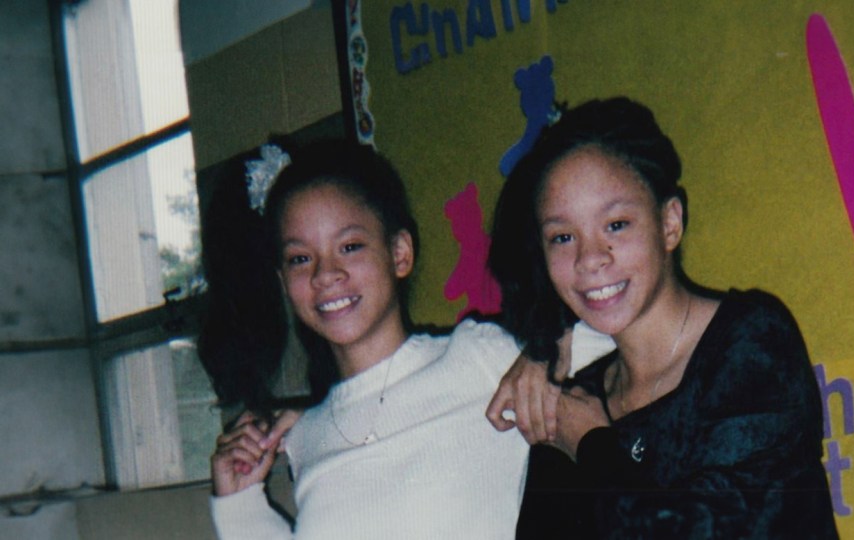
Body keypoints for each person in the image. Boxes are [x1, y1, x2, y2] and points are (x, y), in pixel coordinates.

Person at [207, 140, 613, 539]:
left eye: (350, 246)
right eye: (300, 258)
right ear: (283, 281)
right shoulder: (305, 436)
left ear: (399, 253)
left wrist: (547, 352)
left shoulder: (476, 357)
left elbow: (625, 331)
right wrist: (240, 507)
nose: (324, 274)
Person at [487, 97, 840, 538]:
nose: (590, 258)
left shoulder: (751, 342)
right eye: (562, 236)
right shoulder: (575, 401)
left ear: (669, 223)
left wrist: (592, 446)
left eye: (616, 224)